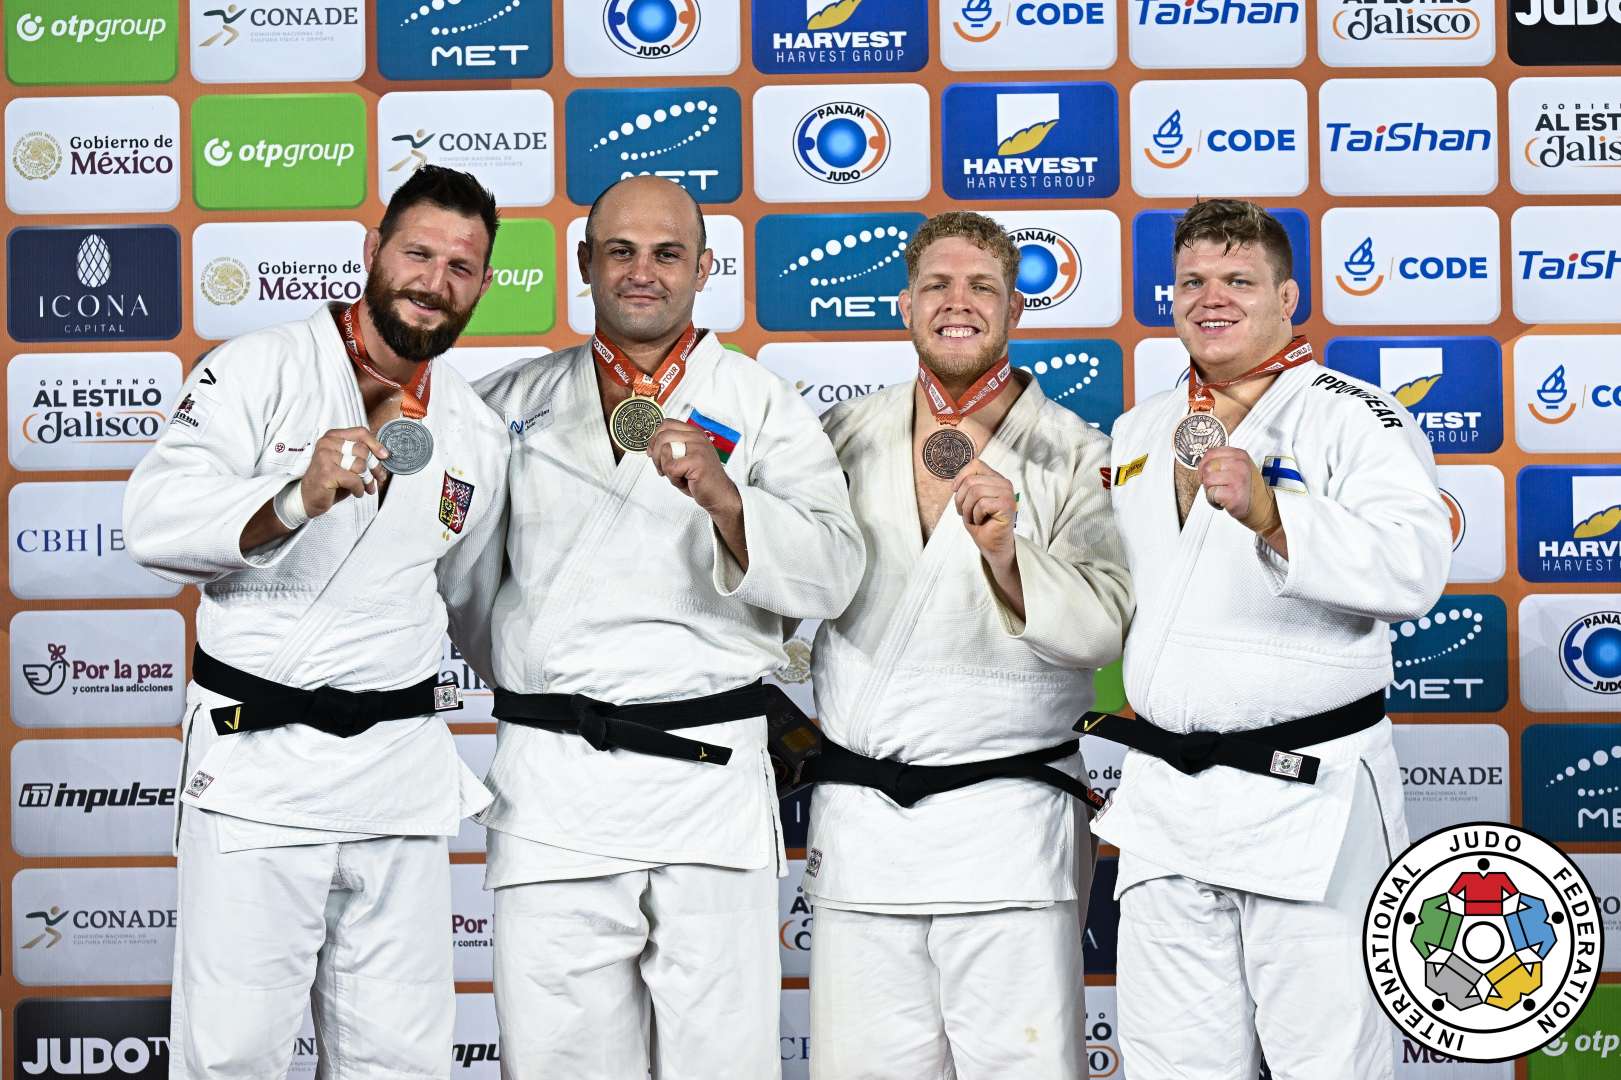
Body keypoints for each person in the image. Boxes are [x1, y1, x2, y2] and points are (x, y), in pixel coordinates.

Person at [453, 175, 864, 1079]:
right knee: (556, 1061)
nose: (643, 272)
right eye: (621, 252)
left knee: (723, 1061)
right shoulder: (504, 402)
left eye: (667, 253)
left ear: (704, 268)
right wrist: (545, 671)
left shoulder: (759, 402)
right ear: (583, 263)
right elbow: (466, 590)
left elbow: (834, 573)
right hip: (554, 779)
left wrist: (728, 501)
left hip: (706, 777)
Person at [123, 166, 510, 1078]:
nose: (433, 282)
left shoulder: (475, 429)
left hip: (399, 779)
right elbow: (154, 522)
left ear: (483, 285)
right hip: (261, 774)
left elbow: (476, 606)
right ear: (373, 251)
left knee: (403, 1063)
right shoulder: (257, 369)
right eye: (417, 254)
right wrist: (293, 497)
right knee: (232, 1059)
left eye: (460, 267)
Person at [1088, 198, 1451, 1079]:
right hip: (1168, 798)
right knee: (1170, 1065)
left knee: (1328, 1060)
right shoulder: (1140, 429)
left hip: (1308, 795)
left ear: (1287, 297)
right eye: (1191, 281)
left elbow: (1412, 567)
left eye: (1238, 280)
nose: (1210, 298)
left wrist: (1272, 513)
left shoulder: (1354, 415)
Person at [801, 211, 1133, 1078]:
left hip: (1008, 831)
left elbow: (1103, 628)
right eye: (937, 286)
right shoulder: (839, 435)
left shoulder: (1077, 455)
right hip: (864, 831)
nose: (958, 302)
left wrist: (1007, 556)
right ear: (904, 305)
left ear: (1015, 308)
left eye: (982, 287)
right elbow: (789, 579)